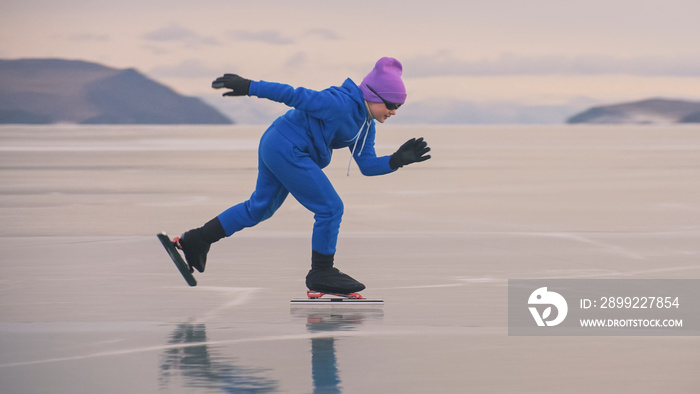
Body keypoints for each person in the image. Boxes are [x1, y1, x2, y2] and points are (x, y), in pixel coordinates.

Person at [174, 57, 431, 294]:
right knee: (330, 208)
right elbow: (294, 95)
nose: (394, 111)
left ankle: (196, 239)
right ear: (373, 96)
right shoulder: (339, 103)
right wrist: (250, 86)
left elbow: (367, 165)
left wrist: (396, 161)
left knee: (258, 209)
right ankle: (321, 271)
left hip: (277, 143)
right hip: (287, 146)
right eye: (392, 104)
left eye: (399, 107)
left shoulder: (365, 125)